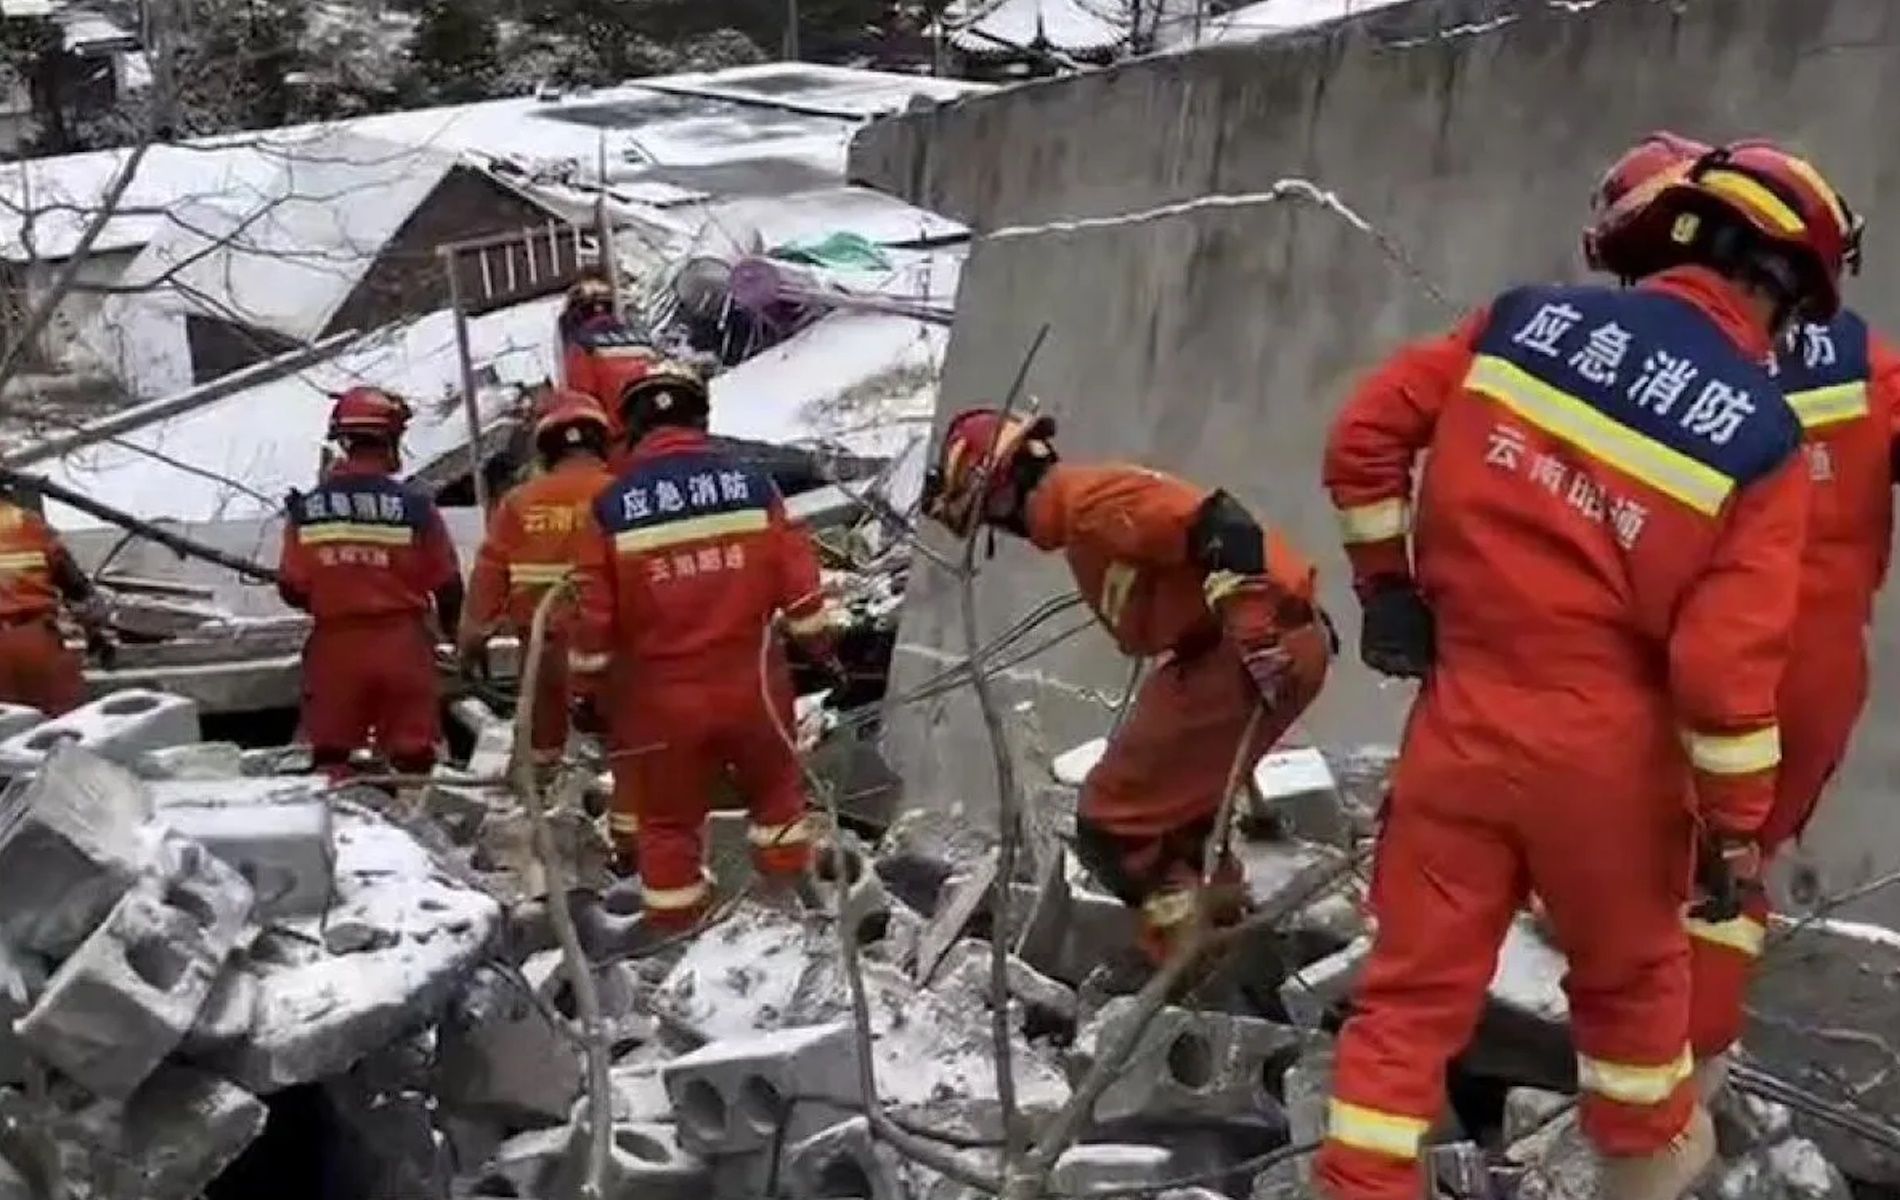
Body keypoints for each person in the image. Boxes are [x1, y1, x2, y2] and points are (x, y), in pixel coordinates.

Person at [1316, 140, 1854, 1200]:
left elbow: (1364, 437)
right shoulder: (1759, 439)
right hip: (1610, 780)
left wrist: (1388, 588)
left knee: (1406, 1010)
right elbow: (1718, 675)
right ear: (1783, 290)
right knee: (1635, 1023)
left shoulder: (1520, 323)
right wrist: (1732, 830)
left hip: (1459, 733)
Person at [1586, 134, 1900, 1097]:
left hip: (1679, 662)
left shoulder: (1645, 357)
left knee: (1623, 862)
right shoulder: (1864, 361)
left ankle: (1602, 1081)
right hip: (1810, 682)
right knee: (1731, 874)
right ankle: (1690, 1081)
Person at [919, 410, 1332, 964]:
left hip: (1245, 649)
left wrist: (1254, 632)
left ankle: (1192, 960)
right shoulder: (1082, 515)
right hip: (1252, 646)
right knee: (1180, 826)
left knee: (1111, 826)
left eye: (986, 515)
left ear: (999, 493)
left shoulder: (1091, 503)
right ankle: (1235, 952)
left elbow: (1222, 525)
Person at [569, 361, 838, 928]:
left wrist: (587, 691)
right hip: (755, 689)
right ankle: (795, 924)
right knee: (778, 800)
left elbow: (593, 618)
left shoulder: (613, 508)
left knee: (668, 823)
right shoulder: (753, 486)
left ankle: (682, 944)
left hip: (661, 703)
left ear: (633, 428)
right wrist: (821, 652)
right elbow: (801, 588)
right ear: (701, 416)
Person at [279, 387, 464, 783]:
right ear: (391, 440)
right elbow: (448, 585)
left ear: (344, 441)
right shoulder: (415, 508)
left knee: (332, 759)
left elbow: (292, 588)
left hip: (335, 649)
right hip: (402, 648)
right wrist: (456, 639)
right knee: (413, 761)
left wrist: (339, 585)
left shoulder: (307, 510)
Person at [459, 388, 616, 769]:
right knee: (620, 759)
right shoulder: (624, 496)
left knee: (546, 758)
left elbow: (488, 580)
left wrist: (472, 643)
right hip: (613, 654)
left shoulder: (518, 503)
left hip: (541, 658)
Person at [0, 484, 113, 714]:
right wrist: (97, 637)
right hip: (38, 643)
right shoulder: (31, 525)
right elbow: (81, 593)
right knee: (57, 737)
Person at [558, 274, 657, 448]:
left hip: (617, 444)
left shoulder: (582, 346)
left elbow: (582, 404)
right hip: (653, 435)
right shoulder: (642, 339)